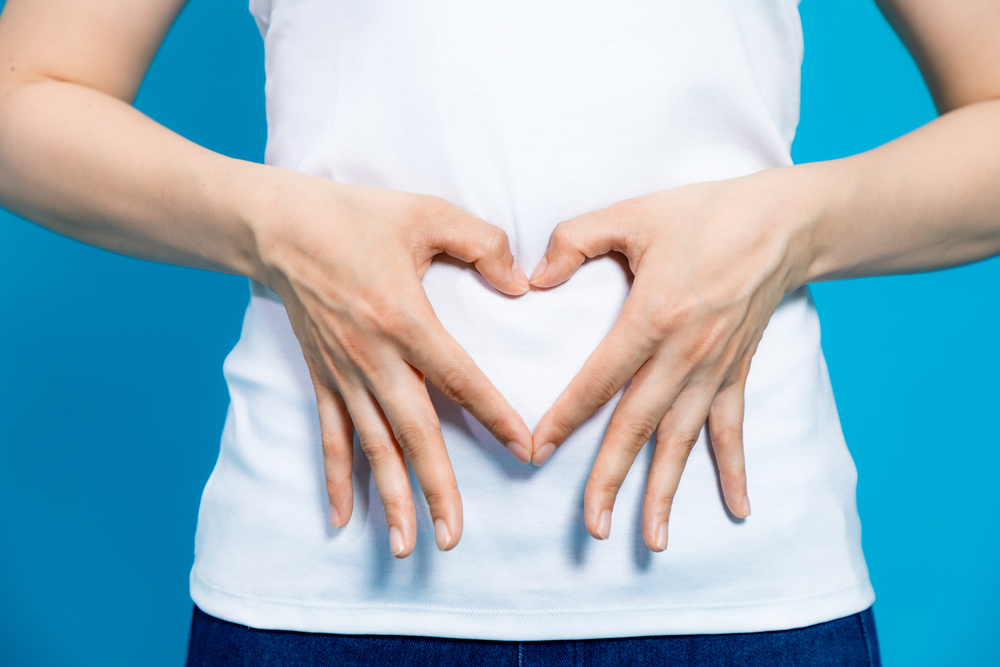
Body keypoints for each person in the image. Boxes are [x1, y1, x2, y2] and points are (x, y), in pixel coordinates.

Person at [1, 0, 998, 664]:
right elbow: (25, 96)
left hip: (739, 592)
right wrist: (274, 228)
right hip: (325, 588)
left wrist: (796, 225)